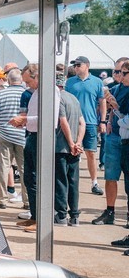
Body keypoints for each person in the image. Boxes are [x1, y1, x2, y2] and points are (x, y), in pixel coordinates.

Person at [93, 57, 129, 226]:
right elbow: (113, 109)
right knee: (110, 176)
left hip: (124, 136)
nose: (116, 74)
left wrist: (114, 109)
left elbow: (119, 109)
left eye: (119, 71)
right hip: (114, 135)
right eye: (115, 71)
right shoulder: (116, 88)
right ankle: (110, 211)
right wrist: (108, 121)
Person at [65, 56, 106, 196]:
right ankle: (70, 183)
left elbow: (102, 102)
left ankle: (94, 182)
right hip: (72, 122)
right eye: (74, 65)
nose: (76, 67)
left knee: (91, 152)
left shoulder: (97, 82)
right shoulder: (69, 82)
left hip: (90, 121)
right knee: (70, 151)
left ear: (87, 65)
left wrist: (102, 121)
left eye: (78, 65)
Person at [0, 69, 28, 210]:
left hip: (4, 133)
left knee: (3, 167)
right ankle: (27, 200)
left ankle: (1, 198)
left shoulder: (1, 94)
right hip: (22, 135)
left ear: (8, 81)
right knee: (24, 168)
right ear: (21, 80)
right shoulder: (27, 94)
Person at [54, 70, 85, 225]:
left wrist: (72, 143)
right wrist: (78, 142)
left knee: (61, 181)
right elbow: (82, 123)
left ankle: (61, 215)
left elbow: (63, 121)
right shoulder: (73, 98)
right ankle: (74, 215)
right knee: (73, 181)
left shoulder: (58, 99)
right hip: (74, 148)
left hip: (61, 146)